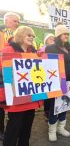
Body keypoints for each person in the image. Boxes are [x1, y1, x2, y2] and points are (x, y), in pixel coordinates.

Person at [0, 26, 43, 146]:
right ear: (20, 35)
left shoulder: (33, 53)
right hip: (16, 99)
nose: (31, 37)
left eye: (33, 36)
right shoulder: (8, 51)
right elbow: (4, 75)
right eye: (28, 35)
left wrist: (42, 57)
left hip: (31, 98)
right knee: (13, 129)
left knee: (26, 130)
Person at [45, 25, 70, 141]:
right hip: (57, 83)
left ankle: (61, 128)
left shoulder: (69, 48)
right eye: (64, 34)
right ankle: (52, 130)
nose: (67, 36)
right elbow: (48, 66)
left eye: (68, 34)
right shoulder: (51, 48)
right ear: (58, 35)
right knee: (55, 107)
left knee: (65, 105)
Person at [0, 12, 20, 141]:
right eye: (15, 21)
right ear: (6, 21)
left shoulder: (19, 35)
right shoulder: (1, 34)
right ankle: (1, 130)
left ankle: (11, 128)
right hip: (1, 72)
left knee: (12, 100)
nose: (17, 23)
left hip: (14, 73)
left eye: (18, 21)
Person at [38, 33, 55, 120]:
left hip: (53, 75)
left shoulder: (56, 49)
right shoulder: (42, 49)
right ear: (46, 41)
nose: (52, 40)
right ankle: (46, 111)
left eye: (53, 39)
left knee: (52, 95)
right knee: (47, 95)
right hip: (45, 75)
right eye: (50, 39)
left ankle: (51, 111)